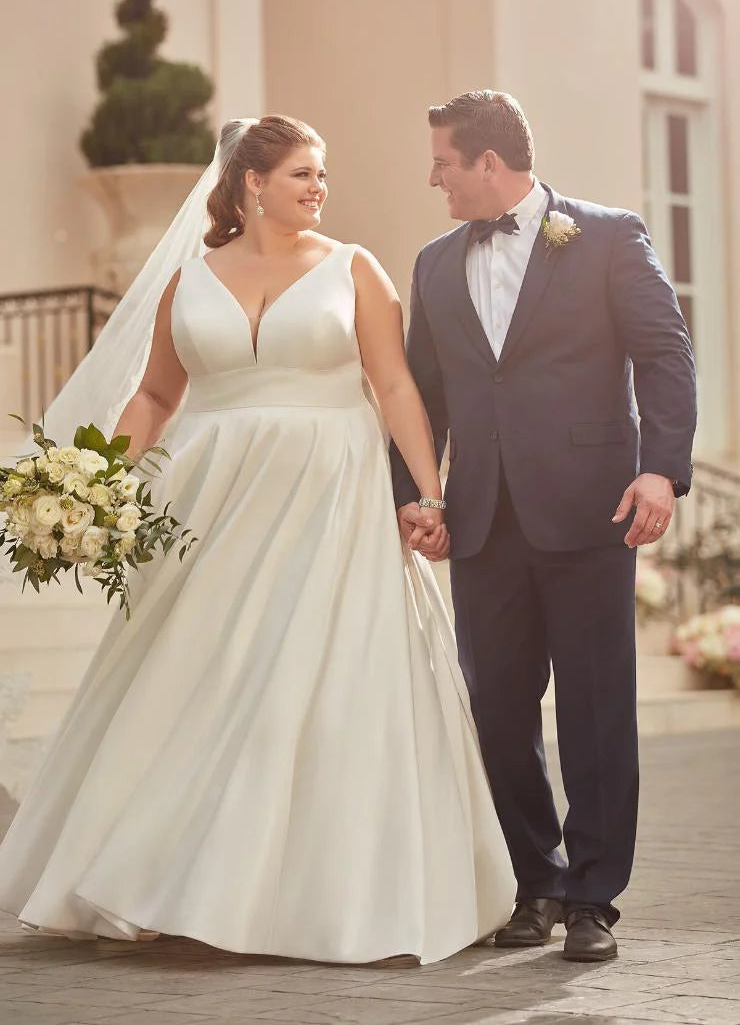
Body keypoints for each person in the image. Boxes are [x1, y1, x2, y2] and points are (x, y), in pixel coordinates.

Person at [0, 115, 515, 964]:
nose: (320, 188)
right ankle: (162, 879)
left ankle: (305, 896)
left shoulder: (356, 269)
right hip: (210, 498)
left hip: (332, 492)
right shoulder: (187, 280)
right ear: (250, 184)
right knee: (196, 674)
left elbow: (393, 387)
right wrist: (98, 478)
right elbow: (156, 398)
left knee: (313, 673)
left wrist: (429, 490)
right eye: (303, 174)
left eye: (322, 174)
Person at [391, 90, 697, 962]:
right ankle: (536, 881)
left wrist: (661, 468)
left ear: (490, 163)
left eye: (443, 162)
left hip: (593, 509)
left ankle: (595, 897)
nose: (433, 179)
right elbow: (425, 391)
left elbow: (664, 353)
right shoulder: (433, 263)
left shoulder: (606, 235)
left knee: (597, 710)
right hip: (483, 520)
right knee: (495, 708)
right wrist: (417, 492)